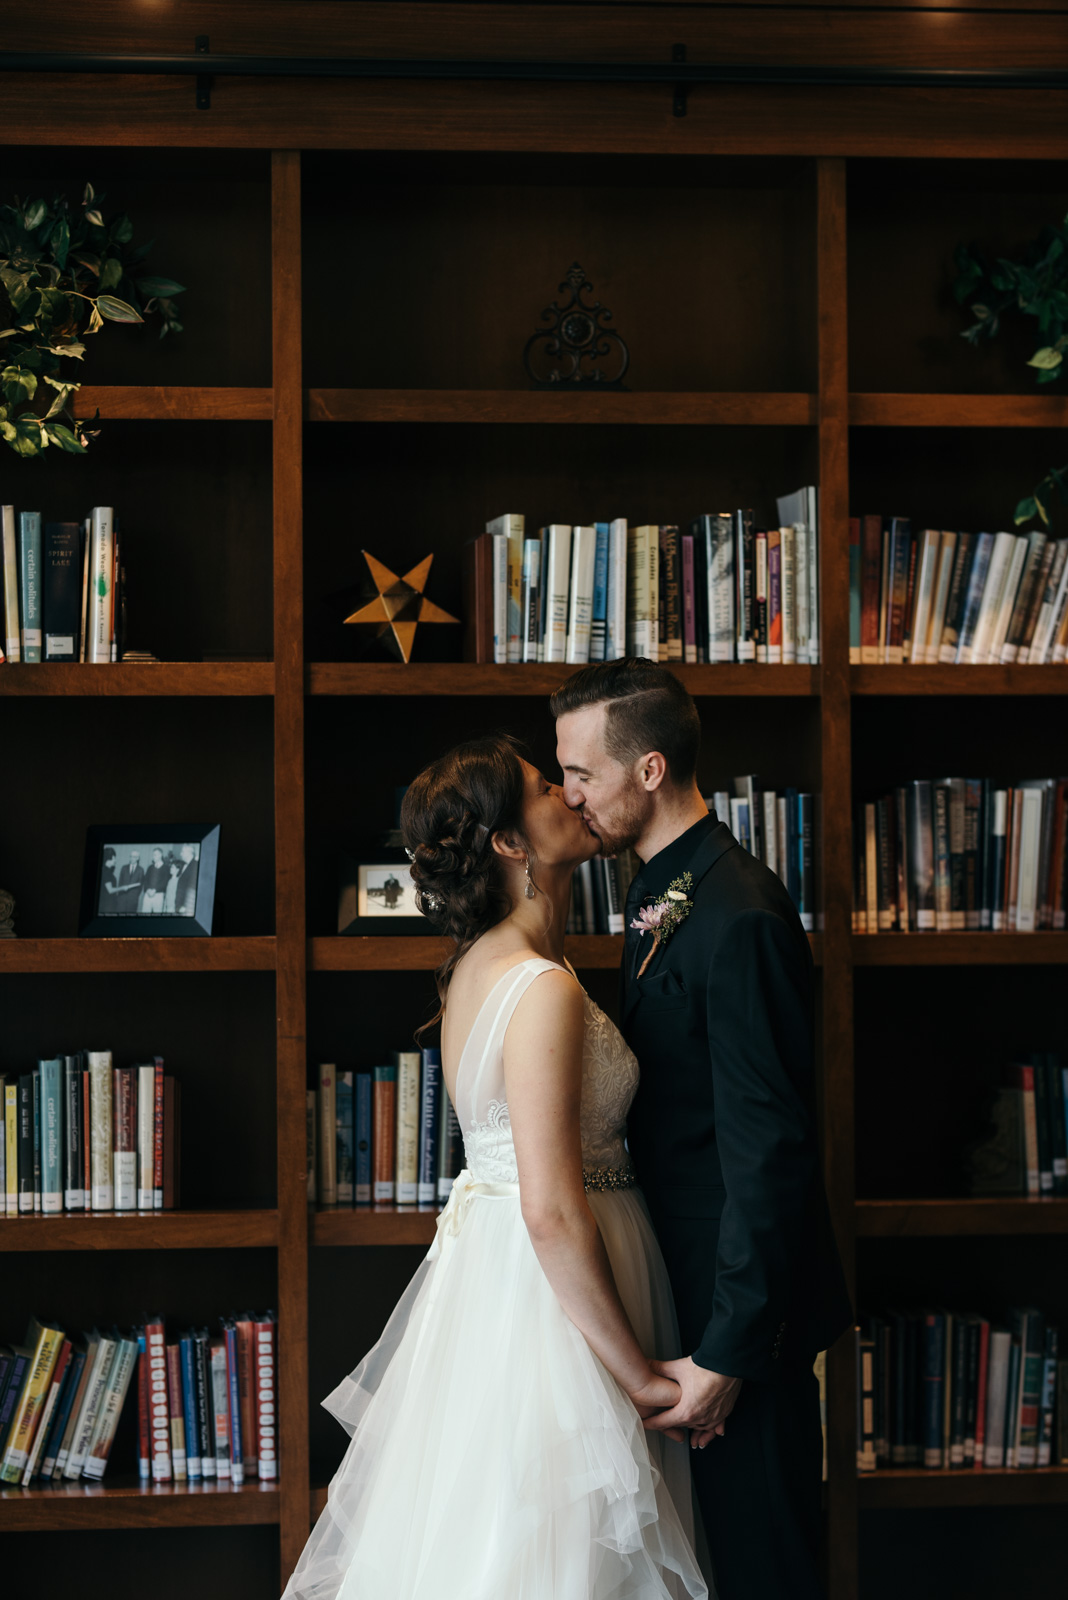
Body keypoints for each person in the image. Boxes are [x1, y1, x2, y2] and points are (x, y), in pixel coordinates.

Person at [282, 734, 707, 1600]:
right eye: (550, 788)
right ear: (512, 843)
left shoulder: (478, 970)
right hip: (560, 1304)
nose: (574, 797)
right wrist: (639, 1377)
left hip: (504, 1284)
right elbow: (550, 1208)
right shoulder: (539, 986)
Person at [552, 659, 852, 1600]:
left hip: (740, 1321)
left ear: (648, 771)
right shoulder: (663, 890)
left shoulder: (741, 912)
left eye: (582, 775)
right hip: (687, 1297)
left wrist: (727, 1352)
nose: (568, 797)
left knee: (766, 1566)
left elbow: (770, 1153)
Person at [141, 847, 169, 914]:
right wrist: (147, 889)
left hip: (159, 895)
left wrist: (155, 890)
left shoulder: (166, 868)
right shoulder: (150, 867)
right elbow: (145, 880)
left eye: (155, 855)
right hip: (147, 894)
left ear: (160, 855)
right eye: (153, 855)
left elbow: (165, 882)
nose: (153, 857)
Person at [116, 849, 145, 915]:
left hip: (133, 900)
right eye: (130, 856)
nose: (131, 858)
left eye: (134, 857)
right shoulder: (124, 868)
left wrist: (134, 896)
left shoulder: (141, 870)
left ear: (138, 858)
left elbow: (140, 886)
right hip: (122, 899)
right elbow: (120, 883)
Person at [173, 844, 199, 916]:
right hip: (180, 907)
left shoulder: (195, 865)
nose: (180, 854)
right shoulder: (184, 866)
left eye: (183, 852)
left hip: (186, 908)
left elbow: (192, 889)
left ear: (189, 853)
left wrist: (185, 906)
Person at [98, 848, 119, 916]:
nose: (115, 860)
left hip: (108, 905)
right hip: (107, 906)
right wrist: (124, 887)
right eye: (114, 858)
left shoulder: (105, 870)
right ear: (111, 857)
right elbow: (110, 890)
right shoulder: (106, 872)